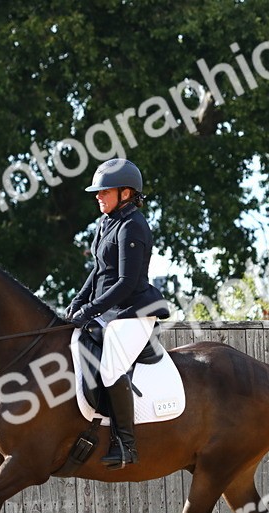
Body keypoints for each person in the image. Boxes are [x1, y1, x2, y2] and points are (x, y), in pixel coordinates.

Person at [66, 158, 170, 469]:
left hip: (134, 311)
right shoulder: (106, 223)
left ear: (125, 193)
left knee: (111, 368)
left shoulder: (133, 226)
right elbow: (97, 271)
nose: (97, 196)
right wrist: (79, 301)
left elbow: (125, 283)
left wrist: (91, 309)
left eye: (104, 191)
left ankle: (126, 444)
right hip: (109, 310)